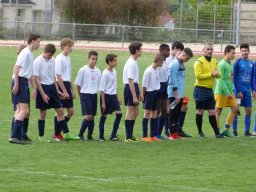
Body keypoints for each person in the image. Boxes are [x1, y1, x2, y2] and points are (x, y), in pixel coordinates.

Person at [33, 44, 80, 142]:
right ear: (45, 51)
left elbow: (53, 77)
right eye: (48, 55)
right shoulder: (37, 61)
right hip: (43, 87)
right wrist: (42, 94)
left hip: (52, 88)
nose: (50, 57)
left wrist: (58, 90)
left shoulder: (53, 59)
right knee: (43, 113)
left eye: (51, 55)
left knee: (60, 111)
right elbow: (36, 79)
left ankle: (66, 134)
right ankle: (41, 137)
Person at [10, 33, 40, 144]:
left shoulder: (31, 54)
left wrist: (33, 88)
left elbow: (30, 73)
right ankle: (14, 137)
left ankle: (17, 136)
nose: (39, 44)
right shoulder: (25, 53)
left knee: (19, 110)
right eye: (38, 41)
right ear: (32, 41)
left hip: (24, 82)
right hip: (20, 81)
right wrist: (16, 84)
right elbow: (16, 68)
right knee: (24, 110)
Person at [193, 43, 223, 138]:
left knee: (212, 112)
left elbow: (219, 74)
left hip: (209, 90)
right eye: (208, 49)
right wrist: (211, 74)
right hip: (200, 89)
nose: (210, 51)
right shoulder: (199, 62)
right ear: (203, 50)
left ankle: (216, 133)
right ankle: (200, 132)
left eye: (211, 49)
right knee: (200, 111)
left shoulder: (214, 61)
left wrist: (216, 74)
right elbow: (198, 76)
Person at [166, 41, 191, 137]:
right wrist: (176, 95)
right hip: (173, 94)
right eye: (187, 58)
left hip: (179, 94)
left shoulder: (181, 63)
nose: (187, 60)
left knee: (177, 114)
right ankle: (171, 134)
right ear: (183, 55)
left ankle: (175, 133)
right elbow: (173, 80)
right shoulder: (175, 64)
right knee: (173, 113)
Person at [75, 50, 101, 141]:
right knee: (88, 116)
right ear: (88, 58)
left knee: (92, 116)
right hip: (85, 95)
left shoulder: (98, 71)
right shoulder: (83, 70)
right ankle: (80, 134)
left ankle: (90, 136)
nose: (94, 61)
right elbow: (78, 84)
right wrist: (81, 97)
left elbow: (99, 85)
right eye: (93, 59)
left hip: (94, 95)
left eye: (96, 59)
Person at [215, 45, 238, 138]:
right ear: (226, 53)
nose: (234, 55)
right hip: (221, 92)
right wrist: (227, 92)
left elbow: (229, 78)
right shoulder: (222, 64)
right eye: (232, 53)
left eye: (234, 53)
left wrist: (231, 90)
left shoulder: (230, 63)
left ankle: (226, 130)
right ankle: (217, 131)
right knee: (218, 111)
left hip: (229, 91)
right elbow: (220, 80)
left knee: (235, 109)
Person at [54, 38, 75, 140]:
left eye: (71, 46)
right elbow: (58, 76)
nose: (70, 48)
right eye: (69, 46)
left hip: (66, 84)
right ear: (63, 46)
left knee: (70, 111)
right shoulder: (59, 58)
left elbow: (68, 76)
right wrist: (64, 91)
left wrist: (72, 90)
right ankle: (60, 134)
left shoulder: (68, 58)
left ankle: (57, 133)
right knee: (59, 111)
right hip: (60, 84)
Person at [232, 43, 255, 137]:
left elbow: (252, 78)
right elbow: (234, 78)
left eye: (245, 51)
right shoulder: (237, 63)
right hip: (238, 91)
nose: (244, 52)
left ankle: (246, 132)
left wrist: (253, 89)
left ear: (249, 51)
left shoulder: (251, 63)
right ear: (240, 52)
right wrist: (238, 91)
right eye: (242, 51)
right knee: (236, 110)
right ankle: (234, 131)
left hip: (247, 91)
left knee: (248, 110)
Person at [98, 54, 122, 141]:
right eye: (115, 61)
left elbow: (114, 86)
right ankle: (101, 136)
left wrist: (118, 97)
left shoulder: (114, 71)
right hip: (106, 97)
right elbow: (102, 90)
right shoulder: (105, 73)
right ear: (109, 62)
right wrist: (103, 103)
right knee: (104, 116)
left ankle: (113, 135)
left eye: (116, 60)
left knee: (119, 114)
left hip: (113, 96)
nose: (116, 62)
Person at [141, 54, 164, 142]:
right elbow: (144, 85)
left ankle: (153, 135)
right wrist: (143, 96)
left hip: (155, 93)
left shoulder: (157, 70)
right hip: (149, 94)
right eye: (162, 62)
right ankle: (144, 136)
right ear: (158, 61)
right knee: (147, 114)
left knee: (154, 114)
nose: (162, 64)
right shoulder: (148, 71)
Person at [123, 42, 142, 142]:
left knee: (136, 112)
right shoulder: (131, 63)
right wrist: (134, 96)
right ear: (136, 51)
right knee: (130, 111)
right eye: (140, 49)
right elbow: (130, 80)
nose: (142, 51)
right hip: (130, 88)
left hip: (134, 87)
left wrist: (140, 93)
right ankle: (128, 136)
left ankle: (131, 134)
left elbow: (136, 80)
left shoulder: (135, 62)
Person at [156, 44, 170, 139]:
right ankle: (154, 133)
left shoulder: (166, 62)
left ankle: (159, 133)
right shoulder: (157, 62)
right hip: (158, 86)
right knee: (157, 111)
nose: (168, 53)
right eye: (167, 51)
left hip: (165, 86)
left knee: (164, 110)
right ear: (162, 51)